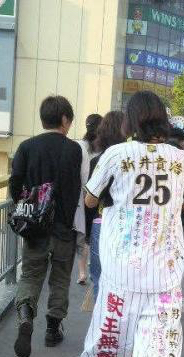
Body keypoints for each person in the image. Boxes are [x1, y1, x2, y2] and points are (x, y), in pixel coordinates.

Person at [77, 91, 184, 357]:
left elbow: (90, 199)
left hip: (121, 262)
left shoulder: (116, 154)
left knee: (111, 324)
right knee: (161, 340)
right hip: (165, 266)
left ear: (131, 120)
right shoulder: (182, 159)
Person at [10, 95, 82, 357]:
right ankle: (53, 329)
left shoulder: (26, 147)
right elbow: (77, 187)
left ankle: (25, 315)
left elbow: (15, 184)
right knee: (60, 278)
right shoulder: (73, 150)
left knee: (30, 275)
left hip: (35, 228)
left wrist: (27, 208)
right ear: (64, 119)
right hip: (64, 227)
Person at [87, 111, 125, 300]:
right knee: (123, 279)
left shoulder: (98, 161)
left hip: (102, 222)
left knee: (99, 278)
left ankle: (101, 314)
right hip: (128, 224)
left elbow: (90, 202)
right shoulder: (133, 161)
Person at [75, 113, 102, 285]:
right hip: (98, 196)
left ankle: (82, 272)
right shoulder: (104, 149)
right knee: (96, 232)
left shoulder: (79, 145)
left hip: (81, 196)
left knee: (83, 235)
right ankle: (94, 265)